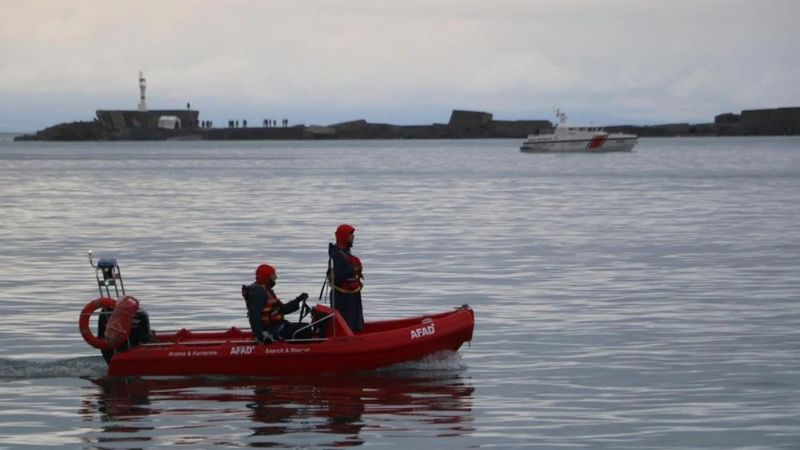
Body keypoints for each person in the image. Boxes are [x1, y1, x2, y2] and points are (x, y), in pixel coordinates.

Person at [243, 264, 311, 343]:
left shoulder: (266, 290)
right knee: (305, 330)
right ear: (267, 276)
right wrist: (260, 336)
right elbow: (254, 316)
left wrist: (298, 300)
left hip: (277, 326)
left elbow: (283, 309)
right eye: (273, 275)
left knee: (306, 326)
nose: (276, 277)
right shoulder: (258, 292)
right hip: (272, 330)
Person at [328, 224, 364, 332]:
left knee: (354, 323)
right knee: (347, 323)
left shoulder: (345, 253)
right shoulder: (338, 255)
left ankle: (356, 336)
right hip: (342, 298)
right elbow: (339, 276)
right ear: (344, 236)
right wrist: (353, 268)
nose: (353, 237)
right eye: (350, 234)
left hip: (351, 296)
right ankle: (347, 343)